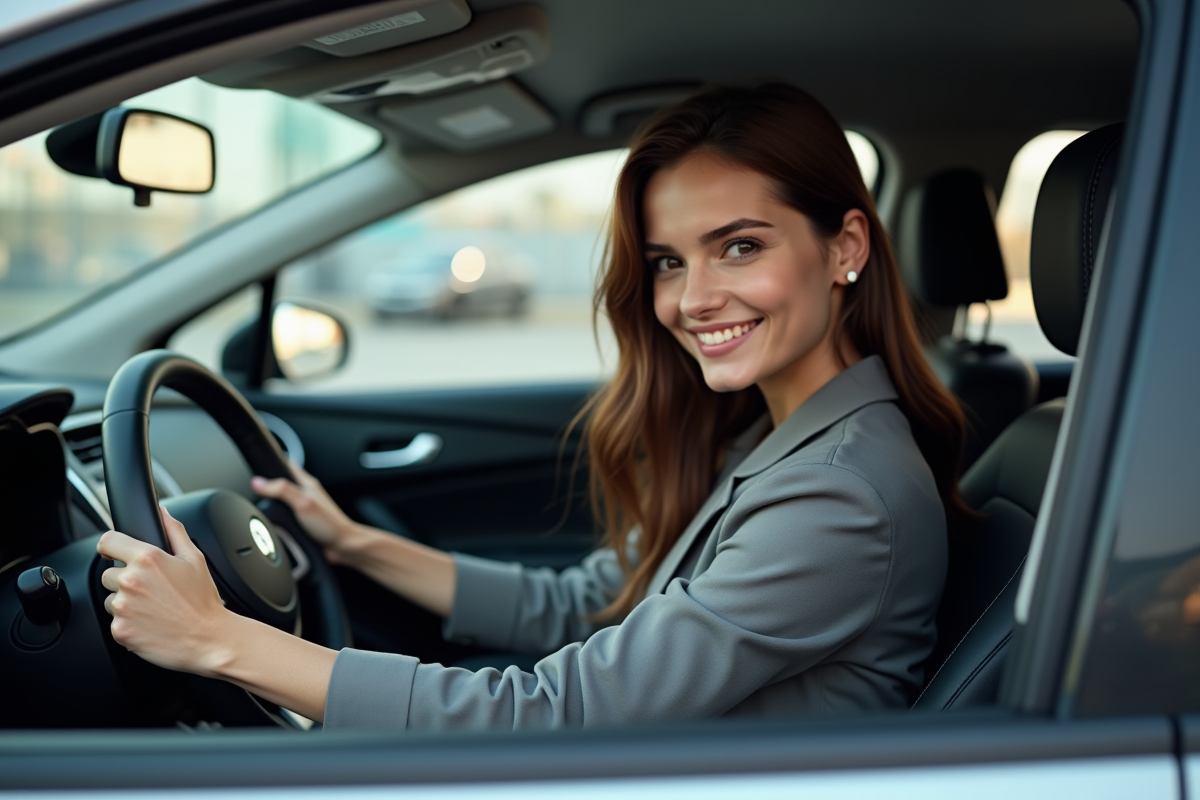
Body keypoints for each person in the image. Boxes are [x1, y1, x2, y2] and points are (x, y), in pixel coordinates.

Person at [96, 84, 968, 731]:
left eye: (739, 247)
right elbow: (592, 604)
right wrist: (354, 542)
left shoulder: (840, 495)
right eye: (668, 261)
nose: (694, 299)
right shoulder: (781, 434)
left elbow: (566, 709)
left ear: (844, 246)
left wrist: (218, 641)